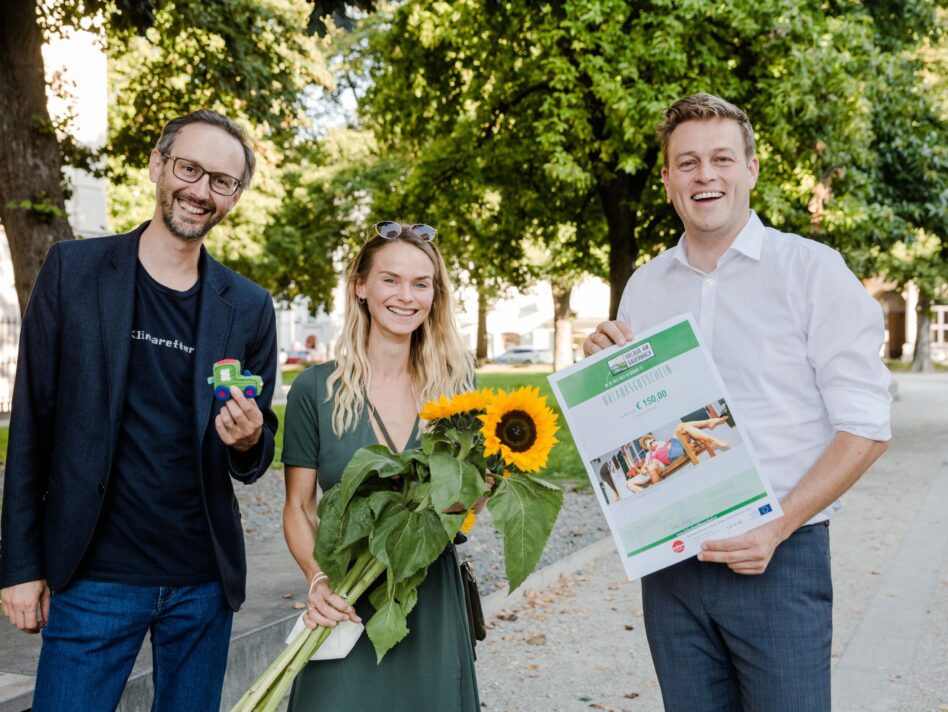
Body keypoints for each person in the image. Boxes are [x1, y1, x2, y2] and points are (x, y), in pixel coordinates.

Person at [584, 93, 891, 711]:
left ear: (750, 169)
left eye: (721, 158)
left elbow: (866, 426)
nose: (705, 175)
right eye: (688, 162)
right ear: (668, 178)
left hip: (778, 556)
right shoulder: (644, 288)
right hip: (671, 564)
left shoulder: (812, 272)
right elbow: (638, 428)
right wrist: (602, 374)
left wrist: (778, 526)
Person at [0, 109, 279, 710]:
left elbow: (254, 458)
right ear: (158, 165)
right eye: (189, 168)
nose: (201, 190)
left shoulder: (249, 307)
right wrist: (19, 566)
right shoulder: (72, 272)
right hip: (93, 578)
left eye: (222, 181)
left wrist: (249, 440)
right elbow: (31, 426)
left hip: (202, 582)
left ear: (234, 196)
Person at [281, 221, 480, 710]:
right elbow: (299, 507)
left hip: (428, 595)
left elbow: (467, 498)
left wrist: (476, 490)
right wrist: (317, 581)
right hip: (345, 597)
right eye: (390, 279)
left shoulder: (458, 386)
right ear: (361, 286)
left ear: (436, 294)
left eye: (421, 283)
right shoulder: (315, 390)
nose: (406, 296)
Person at [639, 417, 731, 484]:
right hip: (672, 455)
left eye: (653, 440)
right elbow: (644, 467)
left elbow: (671, 442)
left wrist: (667, 443)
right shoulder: (649, 455)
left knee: (684, 427)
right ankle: (710, 426)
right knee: (682, 426)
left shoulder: (661, 443)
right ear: (648, 447)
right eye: (650, 443)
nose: (652, 442)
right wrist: (644, 470)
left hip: (676, 448)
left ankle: (710, 427)